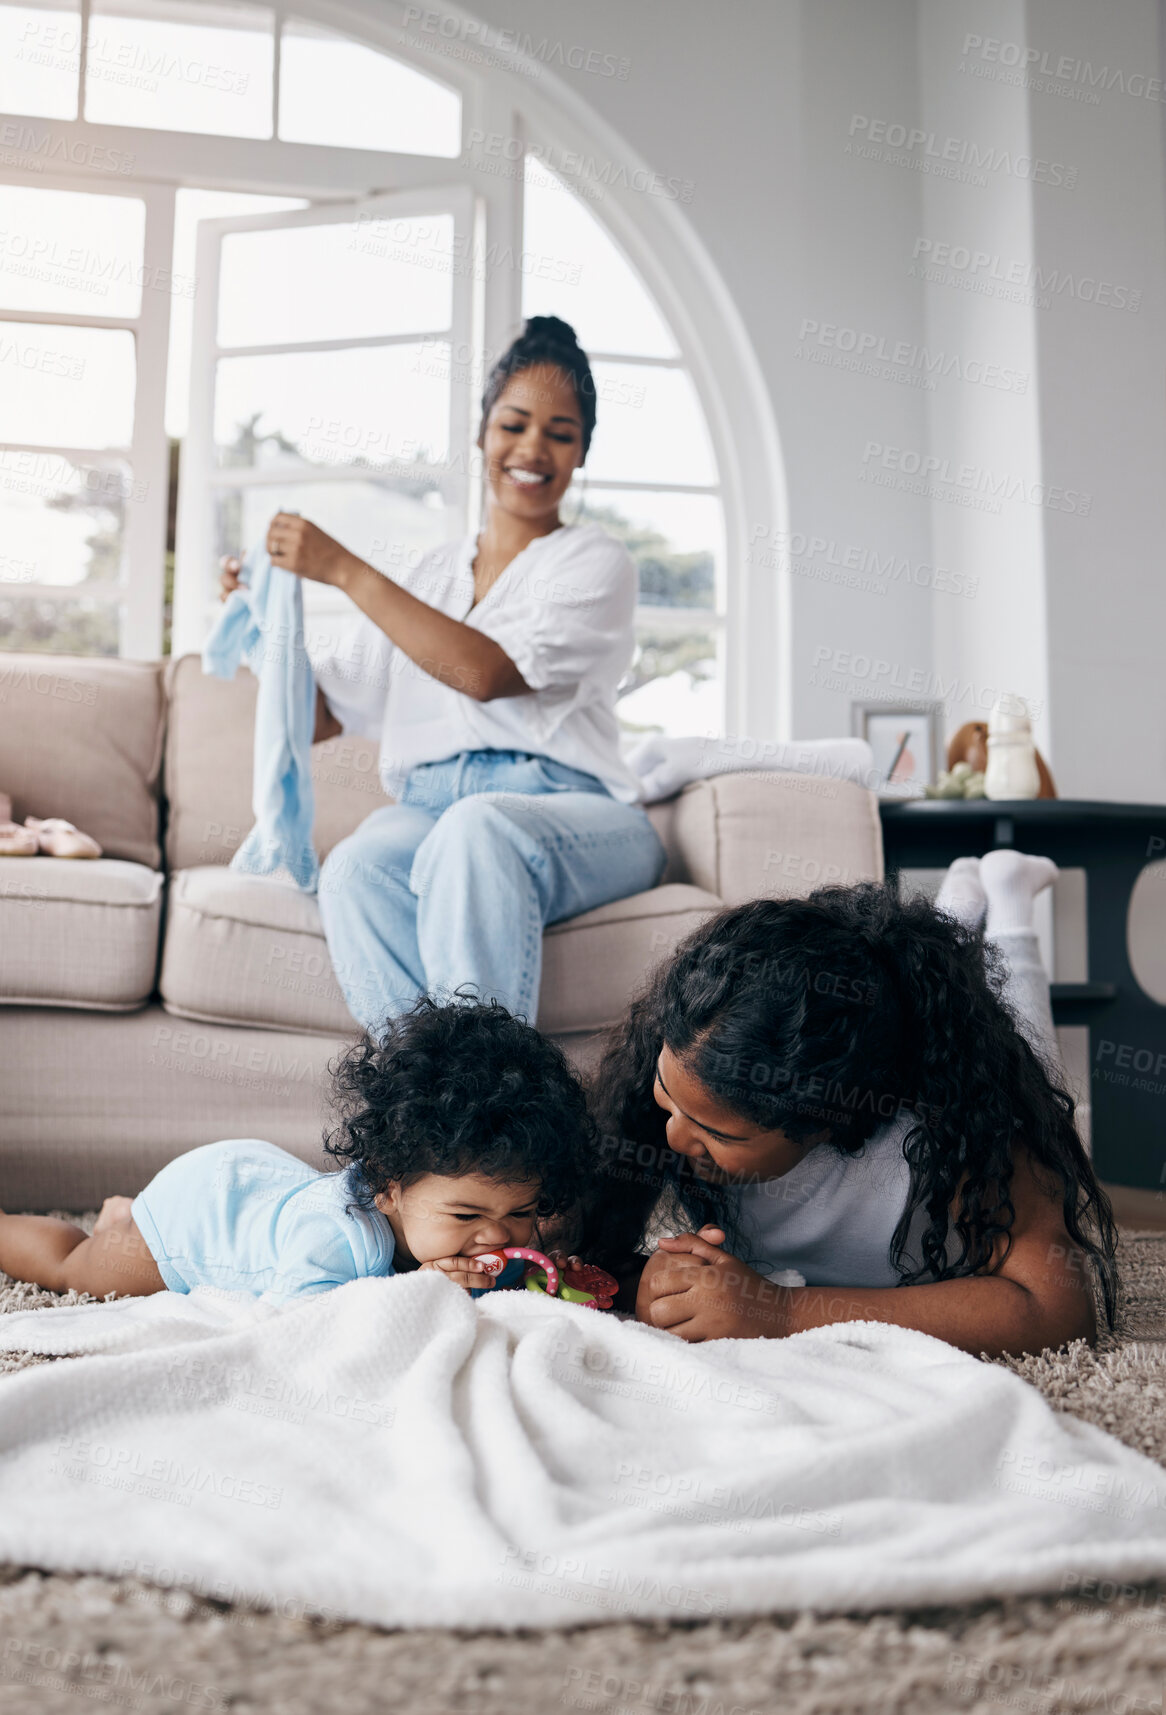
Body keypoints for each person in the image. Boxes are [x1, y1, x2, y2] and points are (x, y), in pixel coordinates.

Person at [220, 315, 664, 1032]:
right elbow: (321, 718)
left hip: (566, 809)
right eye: (514, 424)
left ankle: (492, 1124)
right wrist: (262, 623)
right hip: (426, 808)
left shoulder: (595, 562)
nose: (532, 449)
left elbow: (484, 672)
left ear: (582, 451)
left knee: (475, 829)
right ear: (483, 433)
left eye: (560, 432)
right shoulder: (429, 576)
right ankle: (434, 1126)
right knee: (358, 866)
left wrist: (342, 569)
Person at [586, 852, 1118, 1358]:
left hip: (964, 1090)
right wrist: (649, 1281)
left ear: (823, 1122)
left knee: (1031, 1037)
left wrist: (782, 1312)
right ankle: (955, 909)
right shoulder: (681, 1074)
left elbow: (1058, 1314)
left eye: (718, 1134)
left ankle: (1011, 897)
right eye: (666, 1093)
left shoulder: (961, 1129)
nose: (674, 1138)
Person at [0, 999, 594, 1304]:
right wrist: (417, 1290)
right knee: (78, 1267)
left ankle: (124, 1213)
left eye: (519, 1213)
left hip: (257, 1181)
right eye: (467, 1216)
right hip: (202, 1218)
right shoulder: (334, 1242)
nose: (498, 1239)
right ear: (388, 1183)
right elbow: (302, 1325)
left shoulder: (453, 1215)